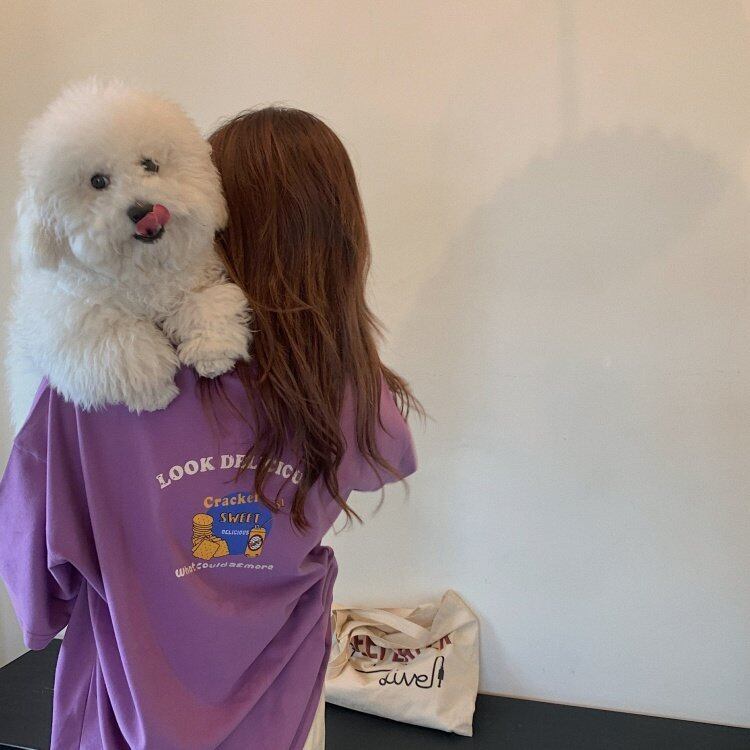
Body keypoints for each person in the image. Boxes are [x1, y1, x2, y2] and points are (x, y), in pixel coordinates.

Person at [0, 106, 420, 749]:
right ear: (344, 237)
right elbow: (380, 460)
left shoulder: (94, 386)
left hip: (130, 704)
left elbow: (35, 569)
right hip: (285, 702)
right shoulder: (350, 386)